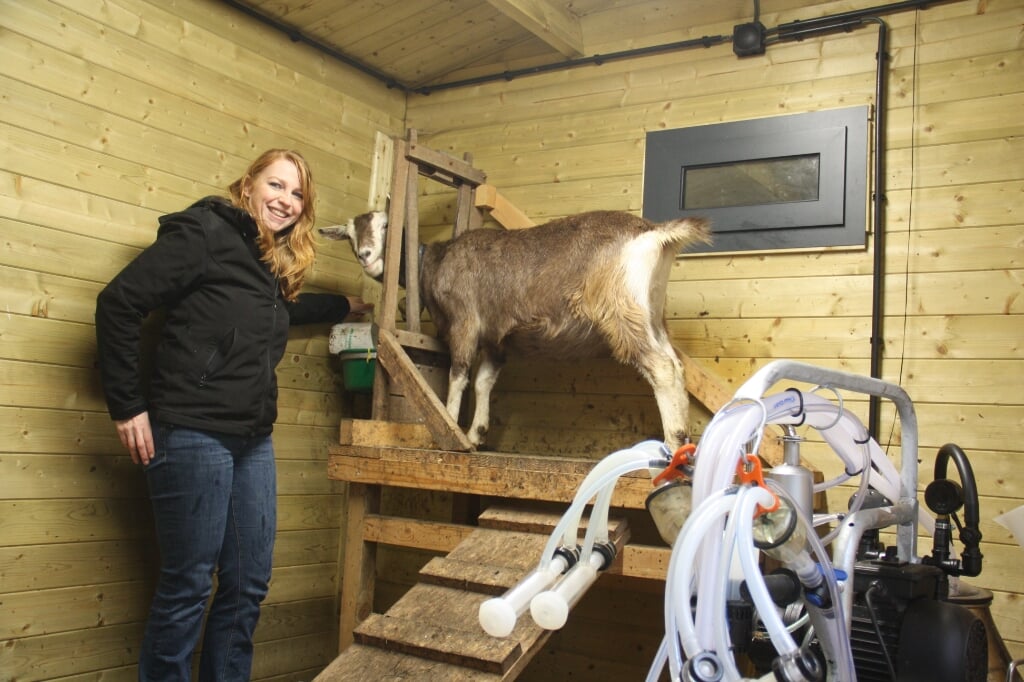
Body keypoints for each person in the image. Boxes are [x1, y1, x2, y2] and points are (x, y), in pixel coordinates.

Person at [95, 149, 371, 681]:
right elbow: (118, 303)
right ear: (247, 186)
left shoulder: (265, 260)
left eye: (297, 194)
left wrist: (340, 306)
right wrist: (127, 406)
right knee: (190, 584)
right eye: (276, 185)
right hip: (190, 431)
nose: (286, 200)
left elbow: (275, 314)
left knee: (247, 584)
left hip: (251, 440)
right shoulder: (204, 234)